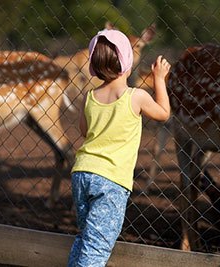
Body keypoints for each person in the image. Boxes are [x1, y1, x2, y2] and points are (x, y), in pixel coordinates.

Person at [67, 28, 171, 267]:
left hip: (82, 173)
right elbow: (164, 113)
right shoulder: (136, 96)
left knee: (85, 239)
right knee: (96, 248)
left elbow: (85, 131)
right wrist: (159, 79)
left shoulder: (90, 96)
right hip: (111, 181)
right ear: (127, 60)